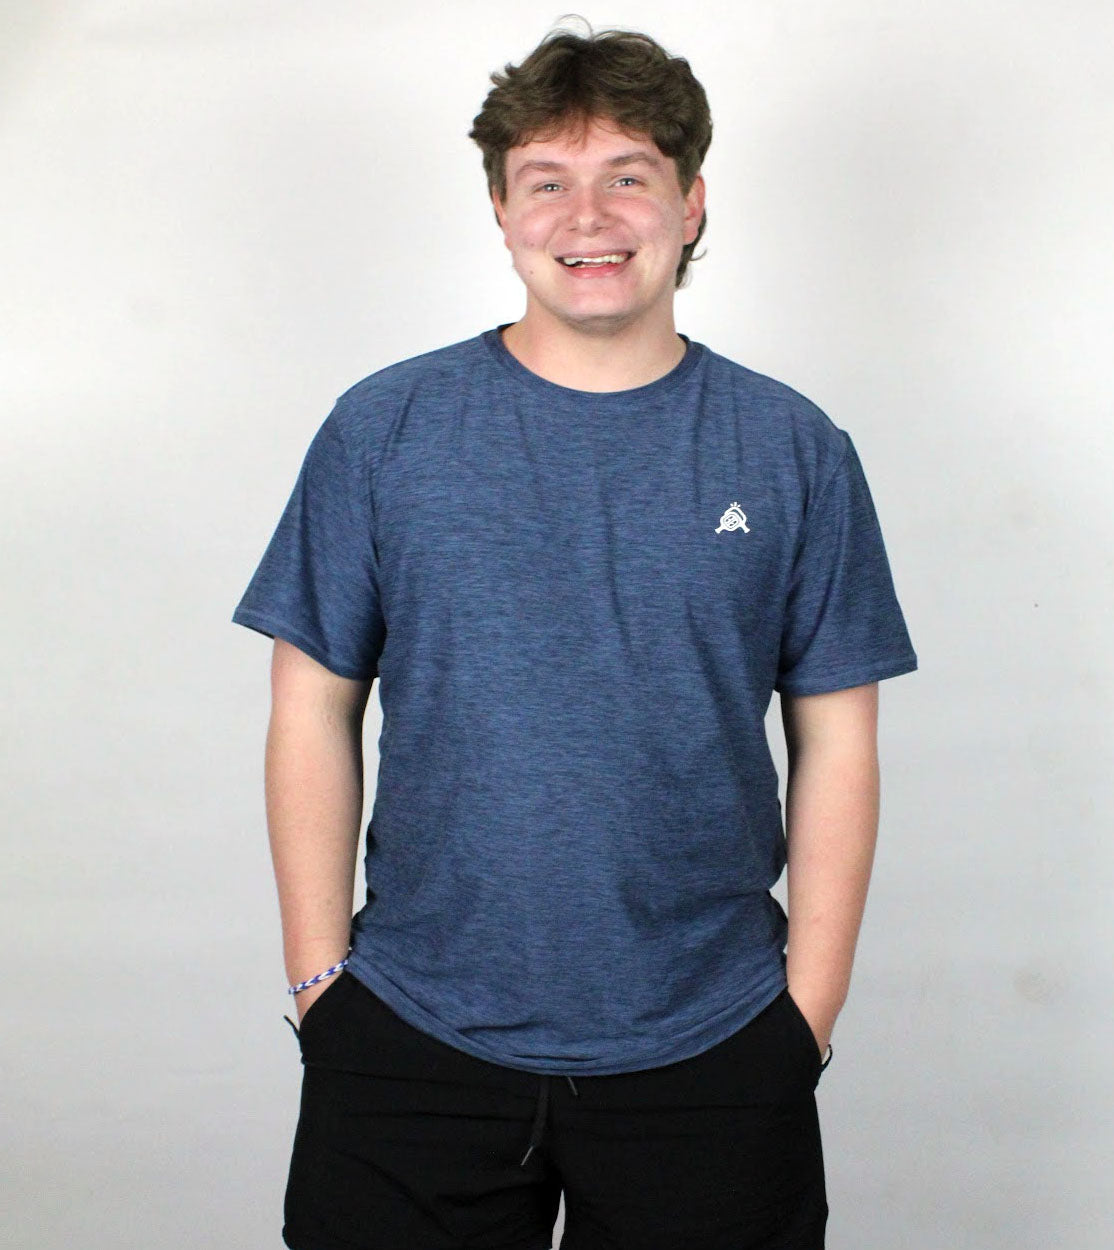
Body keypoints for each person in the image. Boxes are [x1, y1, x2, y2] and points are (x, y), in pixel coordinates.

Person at [232, 20, 916, 1250]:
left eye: (627, 177)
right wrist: (318, 987)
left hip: (710, 1042)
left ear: (691, 204)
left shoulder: (791, 448)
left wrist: (803, 1013)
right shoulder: (383, 429)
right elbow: (309, 707)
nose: (585, 215)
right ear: (501, 210)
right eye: (546, 180)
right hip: (409, 1032)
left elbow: (839, 745)